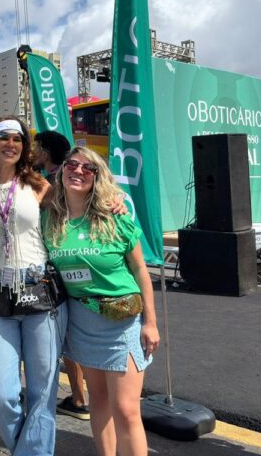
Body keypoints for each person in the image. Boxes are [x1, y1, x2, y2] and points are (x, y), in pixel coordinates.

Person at [43, 147, 159, 456]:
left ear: (97, 178)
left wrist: (150, 322)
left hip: (121, 321)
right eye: (71, 164)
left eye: (87, 168)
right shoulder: (50, 218)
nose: (77, 171)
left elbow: (140, 271)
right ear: (61, 170)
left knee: (125, 409)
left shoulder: (114, 216)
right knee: (98, 401)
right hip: (82, 321)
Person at [0, 116, 67, 456]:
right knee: (1, 395)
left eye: (17, 138)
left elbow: (77, 213)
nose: (10, 143)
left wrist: (114, 201)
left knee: (42, 393)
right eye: (2, 137)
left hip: (41, 296)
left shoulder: (41, 186)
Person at [33, 131, 89, 421]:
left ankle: (79, 398)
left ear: (44, 151)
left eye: (35, 147)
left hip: (57, 267)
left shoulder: (53, 181)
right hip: (71, 266)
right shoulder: (64, 177)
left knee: (66, 337)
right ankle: (81, 397)